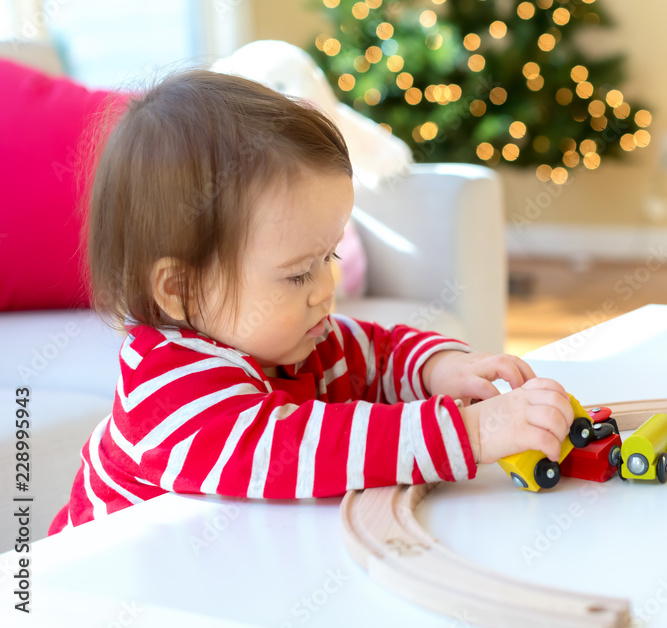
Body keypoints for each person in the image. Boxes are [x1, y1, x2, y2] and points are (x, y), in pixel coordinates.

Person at [49, 69, 573, 535]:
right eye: (299, 273)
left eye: (329, 255)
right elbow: (303, 450)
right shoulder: (167, 392)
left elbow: (380, 351)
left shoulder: (290, 337)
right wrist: (474, 432)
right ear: (180, 289)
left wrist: (443, 367)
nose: (327, 288)